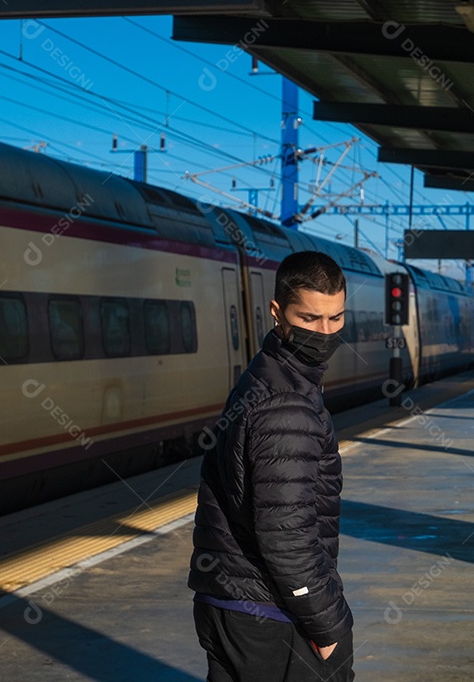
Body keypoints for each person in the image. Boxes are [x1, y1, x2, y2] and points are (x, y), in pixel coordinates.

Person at [189, 250, 355, 682]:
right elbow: (286, 536)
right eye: (310, 319)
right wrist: (326, 620)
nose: (324, 332)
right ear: (277, 313)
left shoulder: (265, 378)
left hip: (232, 601)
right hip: (269, 614)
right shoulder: (287, 404)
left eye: (335, 318)